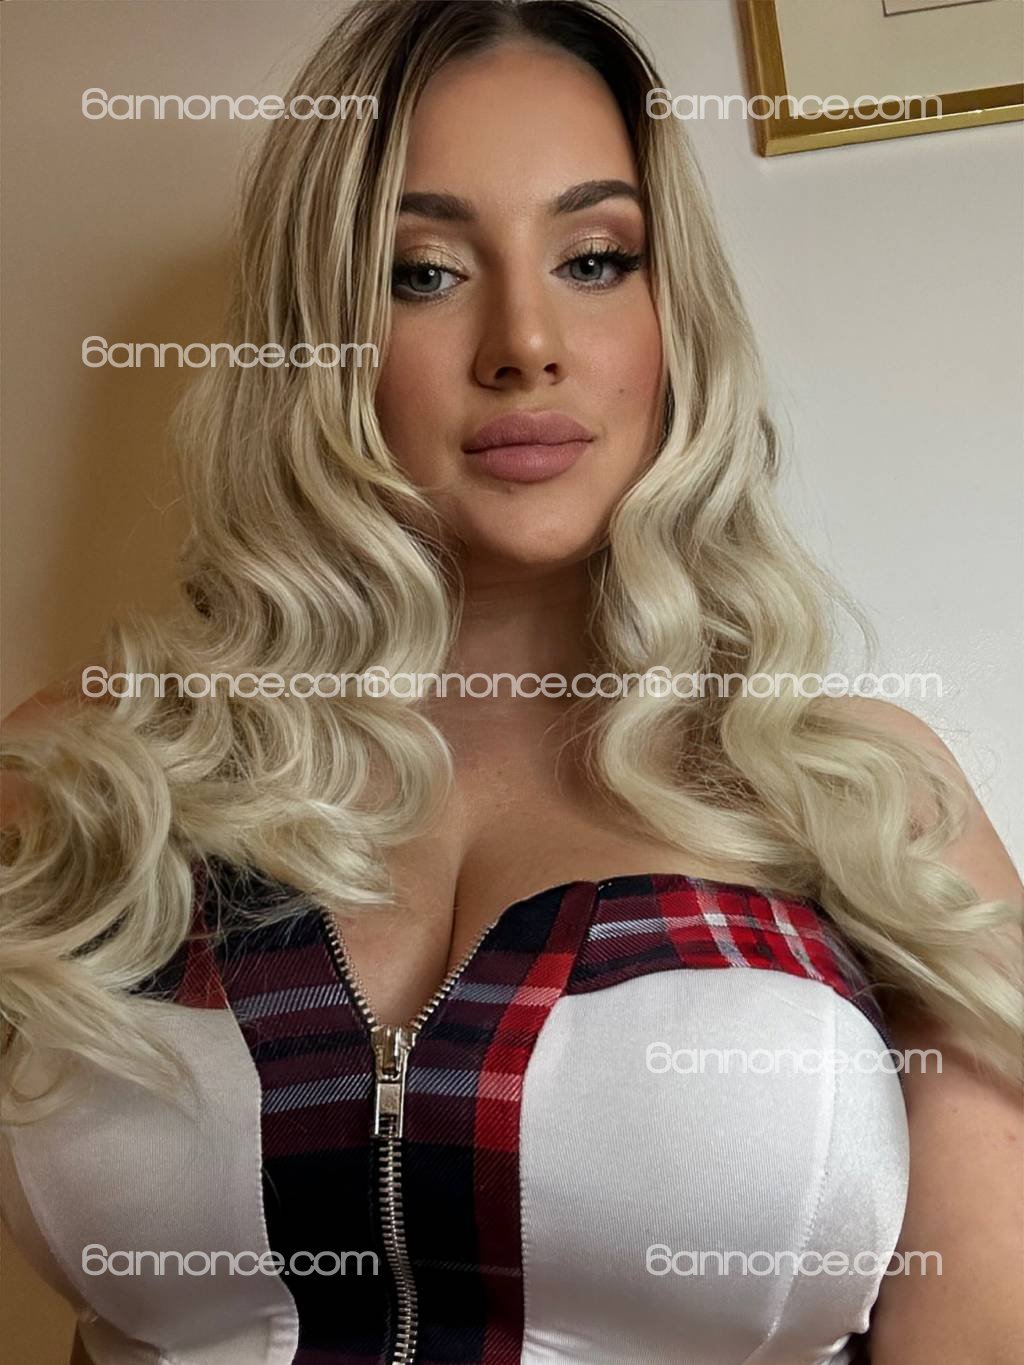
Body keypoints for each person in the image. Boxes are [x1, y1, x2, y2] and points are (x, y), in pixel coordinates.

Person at [1, 2, 1021, 1363]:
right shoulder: (80, 784)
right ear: (316, 336)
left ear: (672, 314)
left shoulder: (869, 804)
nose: (525, 342)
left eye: (595, 259)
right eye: (422, 272)